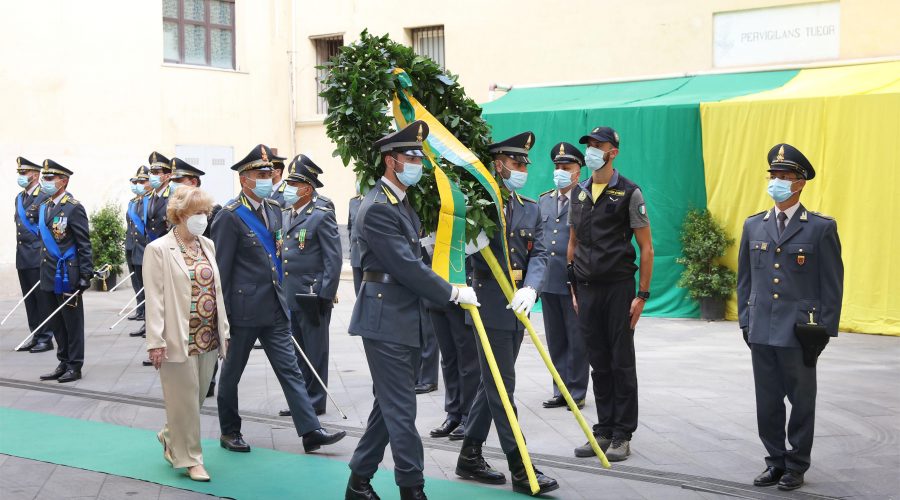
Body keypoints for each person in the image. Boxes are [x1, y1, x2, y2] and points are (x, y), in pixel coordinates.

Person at [344, 121, 480, 500]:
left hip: (402, 315)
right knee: (401, 409)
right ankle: (412, 488)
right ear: (391, 161)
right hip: (386, 317)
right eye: (411, 157)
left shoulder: (399, 203)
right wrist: (452, 292)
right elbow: (405, 266)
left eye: (420, 157)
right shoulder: (376, 208)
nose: (418, 163)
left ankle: (358, 482)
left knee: (388, 407)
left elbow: (415, 257)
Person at [212, 144, 345, 455]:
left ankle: (311, 430)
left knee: (290, 370)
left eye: (269, 173)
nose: (268, 178)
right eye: (261, 174)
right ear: (244, 179)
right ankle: (230, 430)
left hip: (274, 307)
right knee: (231, 374)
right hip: (243, 311)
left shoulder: (274, 210)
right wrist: (223, 316)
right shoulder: (230, 216)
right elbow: (222, 271)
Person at [454, 131, 558, 495]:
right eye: (515, 163)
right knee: (503, 385)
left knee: (492, 382)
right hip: (488, 305)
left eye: (524, 164)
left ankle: (469, 456)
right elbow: (455, 247)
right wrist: (467, 243)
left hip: (519, 304)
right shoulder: (479, 203)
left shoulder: (530, 206)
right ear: (498, 165)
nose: (521, 170)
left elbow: (542, 253)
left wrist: (532, 288)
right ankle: (521, 467)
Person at [738, 144, 843, 491]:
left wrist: (823, 330)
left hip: (800, 331)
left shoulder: (820, 228)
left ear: (800, 183)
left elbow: (832, 283)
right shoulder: (754, 225)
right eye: (774, 176)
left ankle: (796, 464)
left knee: (801, 401)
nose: (777, 182)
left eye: (785, 177)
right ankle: (774, 461)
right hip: (762, 328)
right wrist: (744, 320)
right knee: (766, 401)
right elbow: (745, 279)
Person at [567, 126, 653, 462]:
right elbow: (573, 243)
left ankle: (622, 434)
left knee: (620, 361)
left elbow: (646, 248)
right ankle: (602, 430)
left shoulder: (629, 192)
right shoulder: (581, 192)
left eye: (597, 145)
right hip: (586, 289)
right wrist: (572, 287)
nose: (591, 151)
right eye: (588, 145)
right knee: (598, 362)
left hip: (618, 289)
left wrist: (642, 295)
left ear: (612, 151)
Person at [144, 186, 230, 482]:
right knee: (184, 400)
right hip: (177, 337)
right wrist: (155, 341)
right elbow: (154, 299)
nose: (204, 218)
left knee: (195, 399)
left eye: (206, 213)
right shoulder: (158, 249)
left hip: (208, 334)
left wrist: (224, 330)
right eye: (198, 213)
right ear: (180, 214)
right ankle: (192, 459)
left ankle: (170, 436)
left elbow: (216, 290)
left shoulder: (207, 244)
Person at [277, 154, 341, 417]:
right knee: (297, 351)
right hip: (291, 294)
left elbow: (333, 259)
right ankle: (302, 400)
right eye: (289, 182)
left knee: (315, 351)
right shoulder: (287, 213)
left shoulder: (321, 215)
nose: (288, 188)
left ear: (307, 188)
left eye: (294, 183)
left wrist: (325, 296)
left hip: (312, 295)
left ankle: (316, 401)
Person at [538, 143, 589, 410]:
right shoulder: (544, 199)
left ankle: (577, 390)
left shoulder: (585, 199)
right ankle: (560, 388)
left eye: (566, 168)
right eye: (557, 167)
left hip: (575, 281)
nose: (560, 172)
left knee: (577, 338)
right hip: (548, 279)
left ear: (577, 172)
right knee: (555, 338)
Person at [36, 160, 93, 383]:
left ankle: (75, 365)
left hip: (68, 274)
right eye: (44, 178)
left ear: (63, 181)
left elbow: (83, 243)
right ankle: (63, 360)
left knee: (72, 322)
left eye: (50, 179)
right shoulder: (45, 206)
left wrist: (86, 274)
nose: (46, 182)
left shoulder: (73, 207)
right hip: (49, 272)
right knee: (56, 322)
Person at [14, 156, 54, 353]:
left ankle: (46, 337)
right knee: (29, 300)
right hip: (22, 257)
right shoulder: (19, 198)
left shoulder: (44, 197)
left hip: (38, 256)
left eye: (24, 173)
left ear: (35, 175)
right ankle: (36, 333)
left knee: (42, 299)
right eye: (19, 173)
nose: (21, 176)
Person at [124, 165, 150, 337]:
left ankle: (148, 319)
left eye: (142, 181)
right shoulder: (134, 202)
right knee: (137, 284)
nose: (138, 184)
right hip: (132, 247)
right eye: (136, 181)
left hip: (144, 248)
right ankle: (141, 310)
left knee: (147, 287)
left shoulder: (150, 201)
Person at [348, 185, 364, 295]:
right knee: (357, 292)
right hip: (355, 252)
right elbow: (350, 226)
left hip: (369, 254)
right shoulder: (353, 202)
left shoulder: (374, 200)